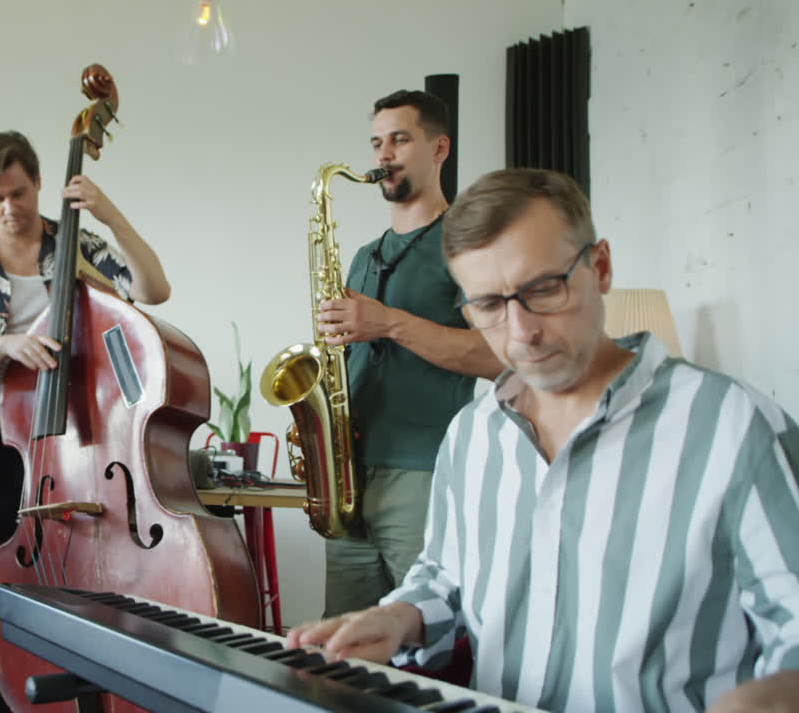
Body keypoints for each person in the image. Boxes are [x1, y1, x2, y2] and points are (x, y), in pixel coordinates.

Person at [288, 168, 799, 712]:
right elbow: (442, 578)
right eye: (487, 304)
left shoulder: (733, 423)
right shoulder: (472, 433)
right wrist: (399, 617)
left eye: (543, 289)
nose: (520, 332)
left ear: (600, 267)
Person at [0, 130, 170, 712]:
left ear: (39, 183)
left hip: (71, 458)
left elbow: (153, 290)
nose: (9, 209)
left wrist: (109, 214)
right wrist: (10, 346)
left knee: (67, 592)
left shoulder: (74, 246)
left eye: (17, 193)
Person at [313, 90, 502, 615]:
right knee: (347, 649)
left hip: (423, 473)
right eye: (377, 142)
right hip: (347, 479)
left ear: (440, 148)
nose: (384, 155)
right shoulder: (362, 258)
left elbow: (497, 357)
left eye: (400, 139)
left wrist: (389, 323)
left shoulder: (465, 247)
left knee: (434, 640)